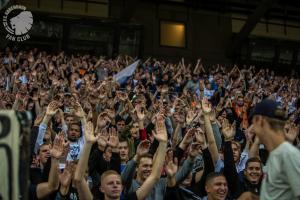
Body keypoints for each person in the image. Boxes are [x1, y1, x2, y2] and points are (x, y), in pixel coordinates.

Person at [251, 99, 300, 199]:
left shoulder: (287, 154)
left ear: (259, 120)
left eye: (253, 121)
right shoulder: (276, 153)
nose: (252, 127)